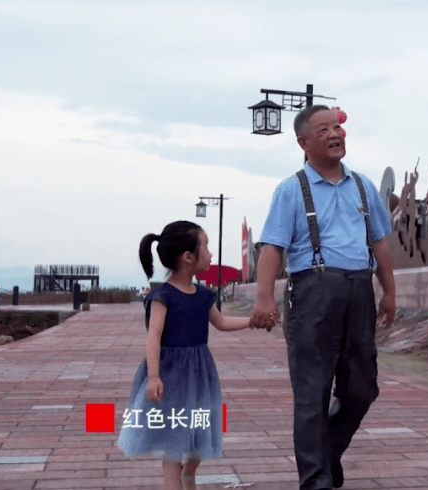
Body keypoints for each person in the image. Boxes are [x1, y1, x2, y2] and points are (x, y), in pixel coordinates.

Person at [250, 104, 396, 490]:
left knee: (362, 388)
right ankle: (315, 480)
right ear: (304, 142)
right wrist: (264, 298)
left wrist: (390, 291)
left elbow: (379, 242)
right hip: (311, 294)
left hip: (359, 291)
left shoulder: (363, 186)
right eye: (324, 130)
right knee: (312, 393)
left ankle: (328, 454)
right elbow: (271, 249)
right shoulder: (290, 191)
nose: (336, 134)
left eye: (338, 128)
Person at [118, 221, 267, 490]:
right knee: (175, 442)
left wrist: (251, 321)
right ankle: (177, 479)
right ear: (188, 257)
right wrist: (153, 377)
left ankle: (190, 473)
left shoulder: (204, 296)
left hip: (200, 373)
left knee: (200, 433)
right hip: (171, 374)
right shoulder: (163, 295)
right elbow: (153, 336)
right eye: (206, 247)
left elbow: (221, 323)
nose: (210, 254)